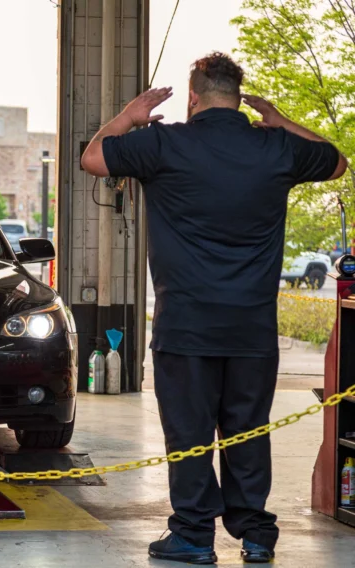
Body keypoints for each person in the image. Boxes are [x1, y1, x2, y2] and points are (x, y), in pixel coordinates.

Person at [81, 52, 347, 565]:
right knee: (248, 430)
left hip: (187, 327)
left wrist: (130, 117)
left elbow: (94, 158)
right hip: (252, 327)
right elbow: (336, 161)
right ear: (237, 95)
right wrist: (282, 121)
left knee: (190, 434)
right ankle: (255, 535)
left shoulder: (164, 143)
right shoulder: (275, 147)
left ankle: (193, 536)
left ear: (193, 96)